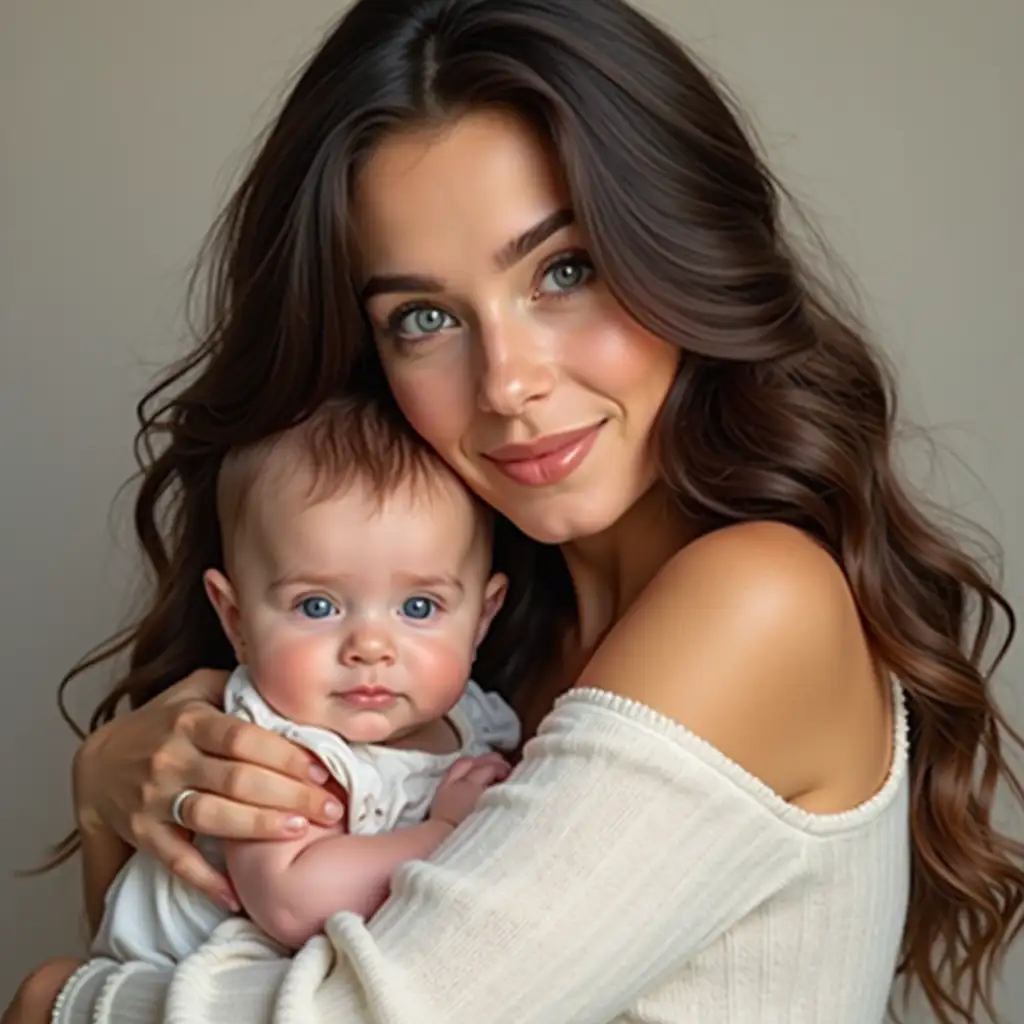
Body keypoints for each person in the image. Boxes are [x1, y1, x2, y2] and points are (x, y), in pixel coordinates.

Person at [5, 0, 1022, 1021]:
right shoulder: (464, 651)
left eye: (564, 270)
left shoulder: (756, 600)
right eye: (425, 318)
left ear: (679, 248)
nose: (506, 384)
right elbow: (185, 952)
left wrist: (51, 1001)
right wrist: (105, 801)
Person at [65, 396, 517, 989]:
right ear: (235, 620)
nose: (371, 646)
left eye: (418, 606)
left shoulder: (475, 720)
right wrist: (445, 832)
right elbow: (291, 903)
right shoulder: (271, 743)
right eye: (318, 605)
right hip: (174, 984)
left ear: (481, 618)